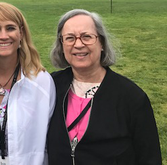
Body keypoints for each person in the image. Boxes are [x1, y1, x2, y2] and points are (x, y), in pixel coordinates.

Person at [47, 9, 162, 165]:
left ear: (101, 43)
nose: (78, 44)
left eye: (87, 37)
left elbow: (149, 158)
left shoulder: (131, 97)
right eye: (70, 38)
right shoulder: (50, 86)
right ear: (62, 45)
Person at [0, 2, 56, 165]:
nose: (4, 35)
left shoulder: (41, 81)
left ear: (21, 33)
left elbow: (50, 139)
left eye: (10, 28)